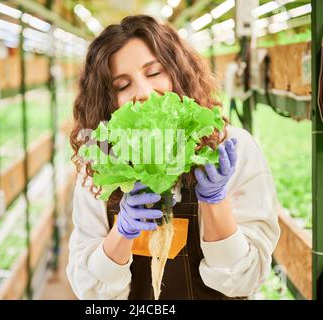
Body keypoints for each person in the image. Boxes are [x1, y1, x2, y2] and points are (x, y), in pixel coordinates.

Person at [67, 14, 280, 300]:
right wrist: (121, 232)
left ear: (178, 72)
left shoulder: (231, 148)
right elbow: (92, 292)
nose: (143, 92)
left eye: (154, 73)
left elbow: (244, 280)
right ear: (107, 101)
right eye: (122, 85)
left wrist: (215, 202)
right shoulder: (99, 165)